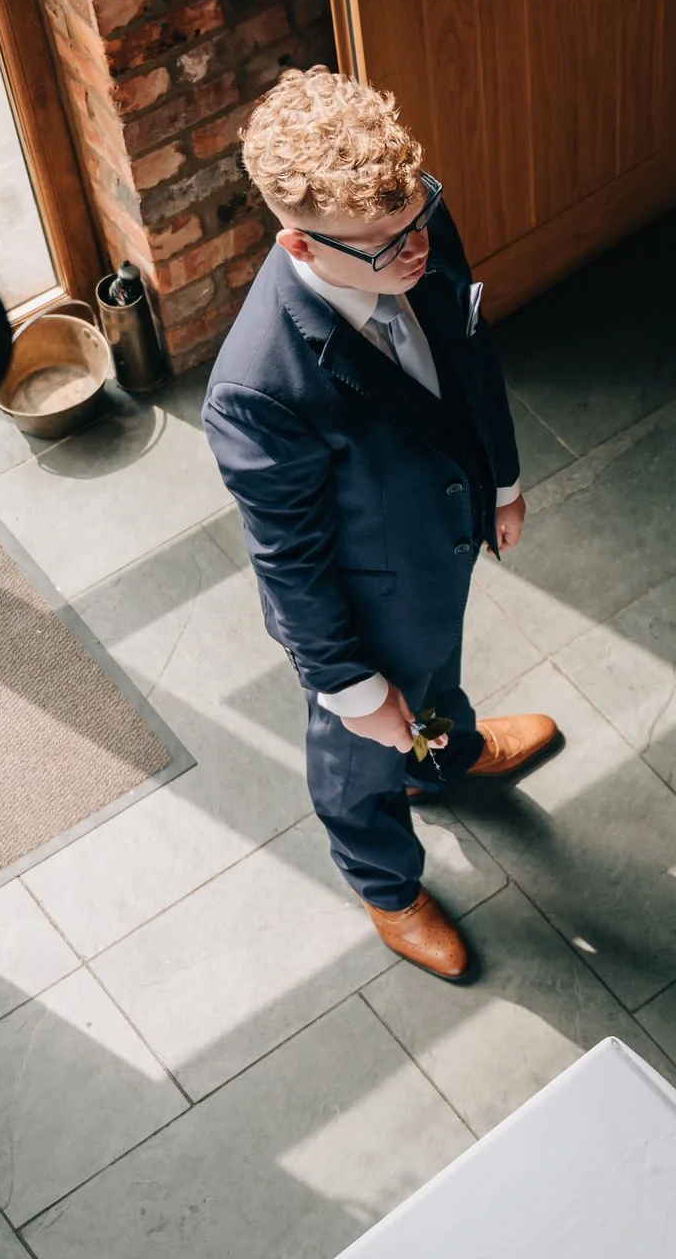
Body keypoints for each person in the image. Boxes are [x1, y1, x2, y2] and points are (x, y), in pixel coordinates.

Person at [204, 68, 559, 984]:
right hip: (360, 604)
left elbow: (471, 361)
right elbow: (291, 563)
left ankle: (448, 755)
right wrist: (353, 690)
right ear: (300, 244)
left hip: (437, 547)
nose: (417, 251)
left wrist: (502, 481)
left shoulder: (405, 226)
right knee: (360, 754)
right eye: (382, 243)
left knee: (437, 671)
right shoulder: (258, 387)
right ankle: (387, 885)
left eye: (418, 219)